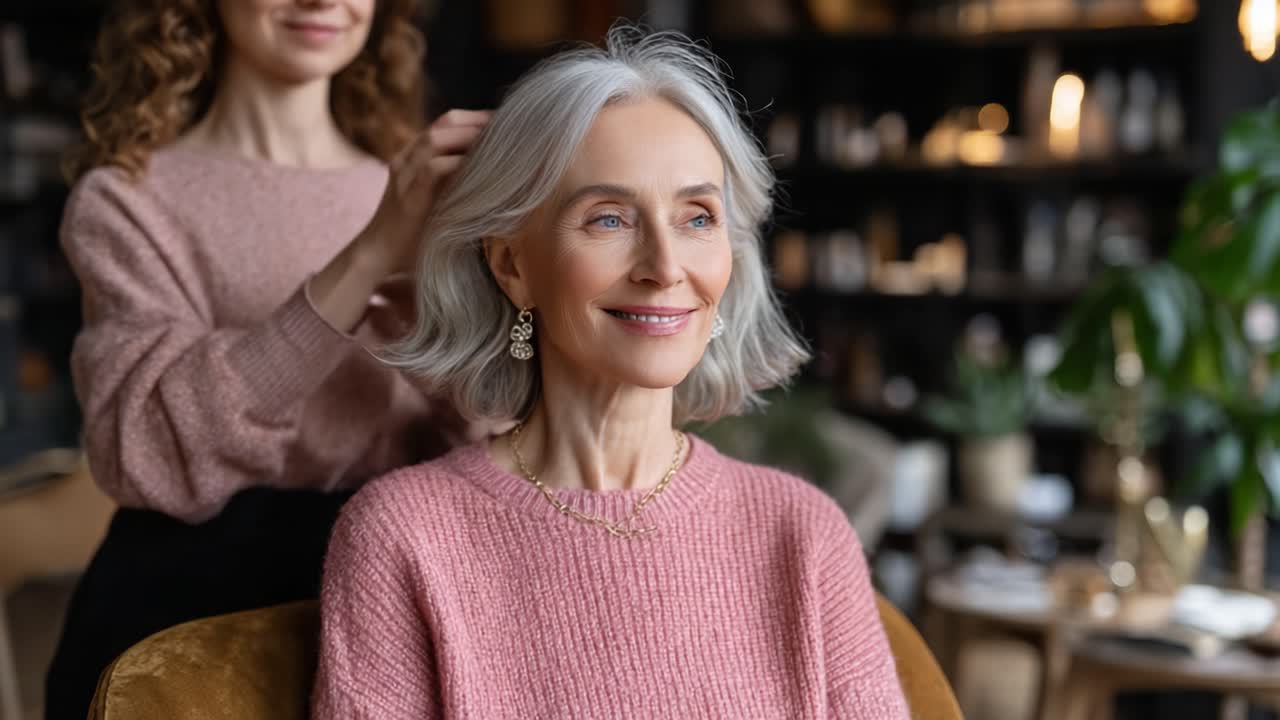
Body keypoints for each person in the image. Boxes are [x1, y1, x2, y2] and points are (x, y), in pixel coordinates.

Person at [312, 26, 909, 718]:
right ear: (512, 266)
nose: (664, 266)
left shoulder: (803, 534)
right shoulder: (401, 536)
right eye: (608, 219)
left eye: (697, 218)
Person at [44, 1, 489, 717]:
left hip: (395, 601)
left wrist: (446, 349)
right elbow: (155, 454)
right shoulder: (127, 202)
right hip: (185, 627)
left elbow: (497, 445)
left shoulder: (426, 188)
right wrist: (369, 254)